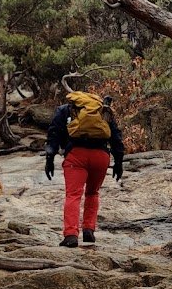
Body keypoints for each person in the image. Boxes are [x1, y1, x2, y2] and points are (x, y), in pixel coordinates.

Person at [44, 92, 124, 247]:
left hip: (76, 155)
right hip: (100, 157)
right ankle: (89, 230)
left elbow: (53, 134)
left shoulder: (65, 109)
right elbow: (116, 136)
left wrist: (50, 158)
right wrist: (119, 162)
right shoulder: (102, 110)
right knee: (93, 193)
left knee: (73, 195)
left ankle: (71, 235)